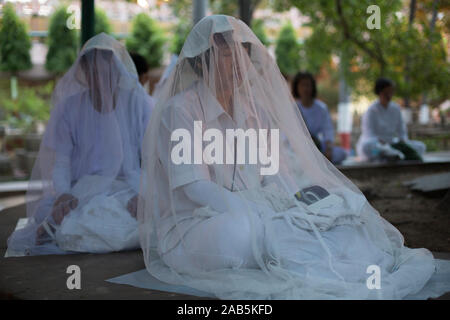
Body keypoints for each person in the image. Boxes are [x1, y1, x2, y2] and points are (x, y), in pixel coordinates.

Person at [138, 15, 450, 299]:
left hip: (258, 209)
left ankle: (338, 260)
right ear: (203, 60)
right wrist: (256, 210)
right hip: (196, 225)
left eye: (239, 52)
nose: (236, 62)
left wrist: (294, 203)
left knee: (330, 208)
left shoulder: (253, 110)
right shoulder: (181, 111)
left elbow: (276, 172)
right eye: (225, 53)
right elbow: (194, 188)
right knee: (245, 232)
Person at [7, 33, 152, 256]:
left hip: (127, 186)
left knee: (148, 213)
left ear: (117, 68)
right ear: (84, 71)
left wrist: (142, 194)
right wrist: (64, 193)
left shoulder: (137, 103)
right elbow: (62, 160)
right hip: (84, 188)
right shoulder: (69, 108)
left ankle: (76, 233)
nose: (100, 76)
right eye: (93, 70)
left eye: (105, 69)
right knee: (48, 210)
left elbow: (152, 156)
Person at [357, 78, 426, 162]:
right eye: (386, 92)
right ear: (380, 92)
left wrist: (403, 140)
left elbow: (401, 131)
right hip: (377, 144)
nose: (389, 95)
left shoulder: (395, 108)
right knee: (367, 147)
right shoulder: (371, 111)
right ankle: (391, 154)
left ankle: (392, 154)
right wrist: (380, 141)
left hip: (392, 143)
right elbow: (369, 134)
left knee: (420, 146)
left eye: (391, 92)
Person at [292, 72, 347, 165]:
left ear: (312, 87)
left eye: (308, 85)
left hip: (318, 146)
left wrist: (329, 148)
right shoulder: (293, 108)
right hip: (299, 148)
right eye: (302, 85)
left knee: (341, 154)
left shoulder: (321, 108)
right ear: (296, 88)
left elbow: (327, 130)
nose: (305, 89)